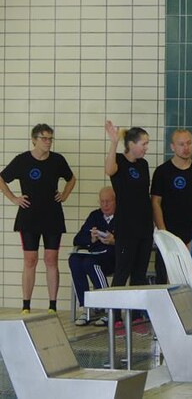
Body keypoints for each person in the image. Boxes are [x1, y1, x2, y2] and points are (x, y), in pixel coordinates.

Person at [0, 123, 76, 313]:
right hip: (29, 217)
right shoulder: (22, 160)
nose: (48, 142)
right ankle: (26, 305)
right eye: (44, 138)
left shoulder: (57, 160)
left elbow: (71, 178)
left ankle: (53, 306)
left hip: (52, 216)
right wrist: (14, 198)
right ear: (34, 140)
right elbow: (1, 178)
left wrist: (65, 195)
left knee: (51, 259)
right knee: (30, 260)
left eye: (50, 138)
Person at [105, 120, 153, 324]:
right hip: (126, 226)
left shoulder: (143, 164)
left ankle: (136, 315)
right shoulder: (118, 161)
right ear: (131, 144)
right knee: (122, 271)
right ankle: (114, 316)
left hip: (144, 225)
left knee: (139, 273)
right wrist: (114, 142)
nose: (146, 148)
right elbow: (109, 170)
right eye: (143, 144)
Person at [151, 129, 192, 283]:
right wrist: (163, 232)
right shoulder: (162, 172)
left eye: (189, 143)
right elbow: (155, 202)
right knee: (166, 278)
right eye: (181, 144)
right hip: (170, 231)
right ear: (172, 147)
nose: (186, 148)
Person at [69, 186, 116, 326]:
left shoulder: (122, 216)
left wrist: (114, 240)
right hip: (95, 254)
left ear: (116, 201)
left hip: (113, 257)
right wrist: (91, 238)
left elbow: (130, 241)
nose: (105, 205)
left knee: (90, 262)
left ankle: (107, 308)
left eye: (108, 201)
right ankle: (87, 307)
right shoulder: (95, 216)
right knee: (74, 260)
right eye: (102, 202)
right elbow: (77, 239)